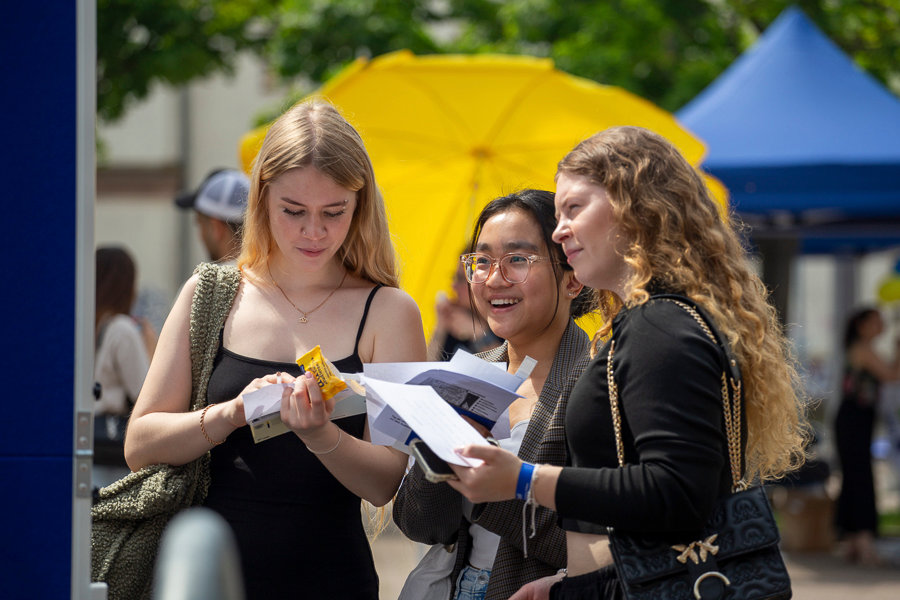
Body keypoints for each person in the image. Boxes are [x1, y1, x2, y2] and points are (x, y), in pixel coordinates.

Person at [444, 126, 808, 599]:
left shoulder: (660, 325)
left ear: (635, 208)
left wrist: (523, 479)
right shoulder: (653, 322)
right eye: (559, 214)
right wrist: (572, 586)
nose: (559, 230)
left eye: (574, 208)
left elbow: (677, 493)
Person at [125, 99, 426, 599]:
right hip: (207, 576)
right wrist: (231, 414)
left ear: (360, 206)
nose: (314, 231)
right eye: (294, 211)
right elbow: (140, 445)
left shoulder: (390, 311)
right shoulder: (210, 293)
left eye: (334, 212)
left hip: (332, 579)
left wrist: (319, 434)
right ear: (262, 198)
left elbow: (384, 484)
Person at [394, 189, 595, 599]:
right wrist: (439, 452)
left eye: (517, 259)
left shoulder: (599, 382)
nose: (493, 279)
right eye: (481, 261)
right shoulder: (467, 374)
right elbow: (420, 525)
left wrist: (496, 489)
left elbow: (607, 538)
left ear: (572, 278)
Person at [834, 307, 900, 565]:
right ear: (861, 325)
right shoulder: (862, 348)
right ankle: (863, 540)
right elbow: (891, 375)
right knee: (860, 477)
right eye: (875, 321)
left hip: (858, 419)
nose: (880, 325)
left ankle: (852, 541)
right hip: (854, 419)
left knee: (854, 477)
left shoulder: (863, 348)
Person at [93, 245, 157, 488]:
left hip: (92, 442)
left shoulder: (89, 325)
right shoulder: (122, 329)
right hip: (113, 452)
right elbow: (146, 395)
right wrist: (153, 350)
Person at [427, 251, 501, 361]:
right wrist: (440, 328)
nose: (453, 285)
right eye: (454, 277)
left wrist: (478, 334)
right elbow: (429, 365)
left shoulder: (504, 323)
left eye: (461, 278)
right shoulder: (455, 322)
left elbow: (508, 368)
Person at [175, 168, 250, 263]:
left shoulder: (210, 273)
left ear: (217, 227)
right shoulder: (265, 269)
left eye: (200, 224)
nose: (200, 237)